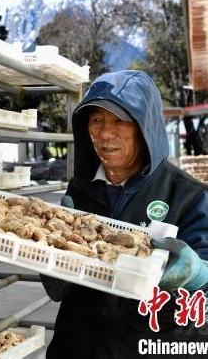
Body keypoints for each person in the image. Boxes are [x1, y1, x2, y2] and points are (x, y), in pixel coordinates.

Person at [42, 70, 208, 358]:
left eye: (120, 120)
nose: (105, 133)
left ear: (145, 127)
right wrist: (52, 259)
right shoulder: (80, 190)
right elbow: (57, 291)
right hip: (77, 348)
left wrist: (196, 274)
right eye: (96, 120)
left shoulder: (189, 196)